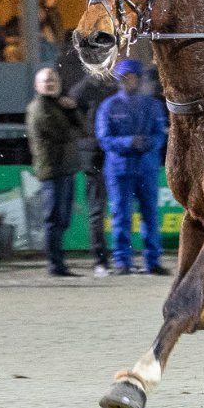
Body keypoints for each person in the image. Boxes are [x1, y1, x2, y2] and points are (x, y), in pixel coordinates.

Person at [97, 59, 169, 275]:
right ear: (120, 80)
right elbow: (104, 138)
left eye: (133, 76)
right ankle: (122, 261)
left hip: (146, 168)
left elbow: (161, 134)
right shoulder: (109, 106)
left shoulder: (153, 105)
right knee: (121, 216)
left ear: (139, 79)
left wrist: (147, 143)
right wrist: (129, 142)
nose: (130, 80)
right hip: (120, 169)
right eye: (125, 77)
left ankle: (152, 261)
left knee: (150, 215)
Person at [27, 67, 85, 276]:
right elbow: (64, 132)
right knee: (53, 218)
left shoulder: (58, 105)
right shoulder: (40, 108)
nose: (50, 84)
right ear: (37, 85)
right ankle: (55, 264)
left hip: (65, 168)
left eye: (53, 80)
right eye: (46, 81)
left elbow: (83, 129)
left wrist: (72, 111)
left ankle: (59, 262)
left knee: (62, 218)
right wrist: (70, 112)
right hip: (52, 169)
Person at [66, 66, 117, 275]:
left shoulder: (112, 88)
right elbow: (71, 119)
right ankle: (100, 259)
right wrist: (86, 139)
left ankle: (118, 257)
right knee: (97, 208)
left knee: (115, 207)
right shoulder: (82, 90)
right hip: (93, 153)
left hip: (114, 151)